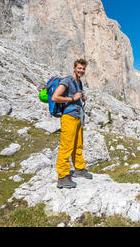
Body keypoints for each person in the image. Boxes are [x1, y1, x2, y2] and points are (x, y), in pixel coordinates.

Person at [52, 59, 93, 189]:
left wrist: (81, 97)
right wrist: (72, 98)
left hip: (77, 117)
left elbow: (77, 97)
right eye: (79, 68)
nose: (81, 71)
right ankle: (63, 177)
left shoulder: (78, 83)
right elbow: (55, 97)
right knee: (66, 146)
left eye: (83, 69)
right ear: (74, 68)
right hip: (68, 117)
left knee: (78, 145)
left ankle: (79, 169)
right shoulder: (67, 80)